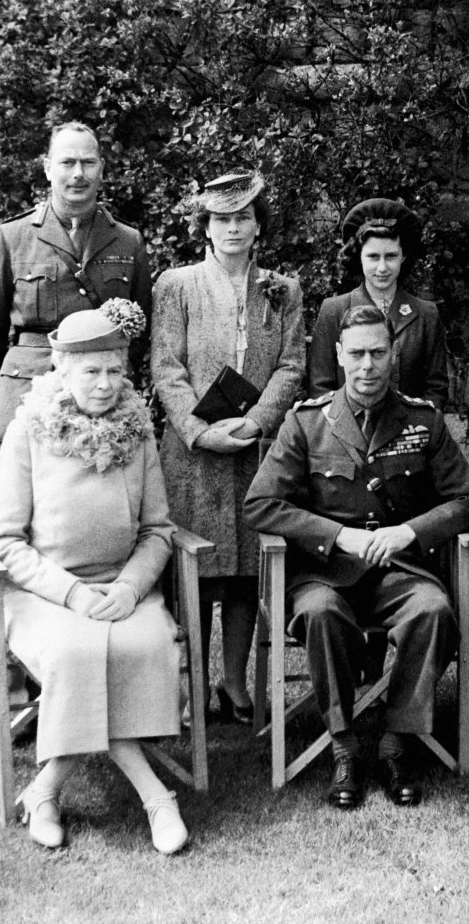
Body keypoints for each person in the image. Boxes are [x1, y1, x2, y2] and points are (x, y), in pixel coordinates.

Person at [244, 305, 469, 809]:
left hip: (398, 569)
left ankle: (397, 740)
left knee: (432, 610)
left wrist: (409, 532)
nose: (367, 365)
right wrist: (336, 536)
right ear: (338, 355)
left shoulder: (423, 420)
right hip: (326, 574)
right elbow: (260, 504)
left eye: (378, 352)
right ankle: (344, 744)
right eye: (356, 354)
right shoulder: (307, 424)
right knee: (319, 614)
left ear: (393, 354)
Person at [0, 307, 189, 854]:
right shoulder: (29, 427)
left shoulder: (137, 428)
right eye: (91, 371)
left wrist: (129, 589)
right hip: (43, 593)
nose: (105, 384)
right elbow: (3, 539)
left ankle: (43, 789)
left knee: (145, 643)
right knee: (77, 655)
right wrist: (71, 593)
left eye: (114, 371)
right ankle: (155, 795)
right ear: (62, 370)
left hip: (121, 589)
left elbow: (157, 530)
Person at [151, 171, 306, 724]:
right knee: (193, 569)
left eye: (244, 217)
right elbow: (166, 368)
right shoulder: (176, 284)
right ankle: (188, 687)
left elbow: (292, 367)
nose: (234, 227)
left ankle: (235, 684)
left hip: (254, 452)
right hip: (192, 456)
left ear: (259, 225)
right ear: (206, 228)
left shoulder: (283, 289)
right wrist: (199, 430)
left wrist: (256, 422)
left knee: (244, 570)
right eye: (223, 218)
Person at [0, 121, 152, 447]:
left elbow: (140, 330)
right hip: (25, 400)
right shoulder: (11, 238)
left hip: (105, 405)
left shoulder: (128, 241)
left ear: (101, 169)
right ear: (48, 168)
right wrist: (7, 392)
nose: (78, 173)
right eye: (67, 162)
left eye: (88, 162)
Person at [309, 198, 449, 409]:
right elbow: (320, 386)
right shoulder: (334, 310)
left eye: (390, 256)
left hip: (409, 434)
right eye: (373, 257)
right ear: (360, 258)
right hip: (345, 433)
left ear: (403, 257)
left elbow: (436, 389)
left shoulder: (426, 314)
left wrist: (418, 428)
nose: (382, 268)